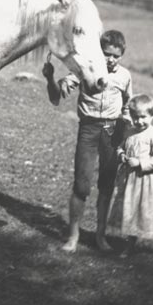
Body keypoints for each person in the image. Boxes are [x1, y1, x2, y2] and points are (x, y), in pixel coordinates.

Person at [42, 29, 132, 253]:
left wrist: (129, 126)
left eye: (115, 55)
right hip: (89, 131)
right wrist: (50, 78)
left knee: (106, 186)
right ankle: (73, 236)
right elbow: (56, 97)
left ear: (122, 55)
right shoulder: (85, 72)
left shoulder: (125, 76)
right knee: (82, 185)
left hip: (113, 132)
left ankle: (100, 237)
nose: (110, 59)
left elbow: (129, 105)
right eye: (106, 54)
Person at [111, 93, 153, 264]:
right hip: (129, 181)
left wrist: (140, 162)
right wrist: (122, 155)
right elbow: (120, 147)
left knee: (151, 214)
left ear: (152, 115)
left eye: (143, 117)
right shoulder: (129, 132)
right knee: (131, 212)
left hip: (145, 181)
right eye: (135, 117)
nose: (139, 121)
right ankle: (130, 247)